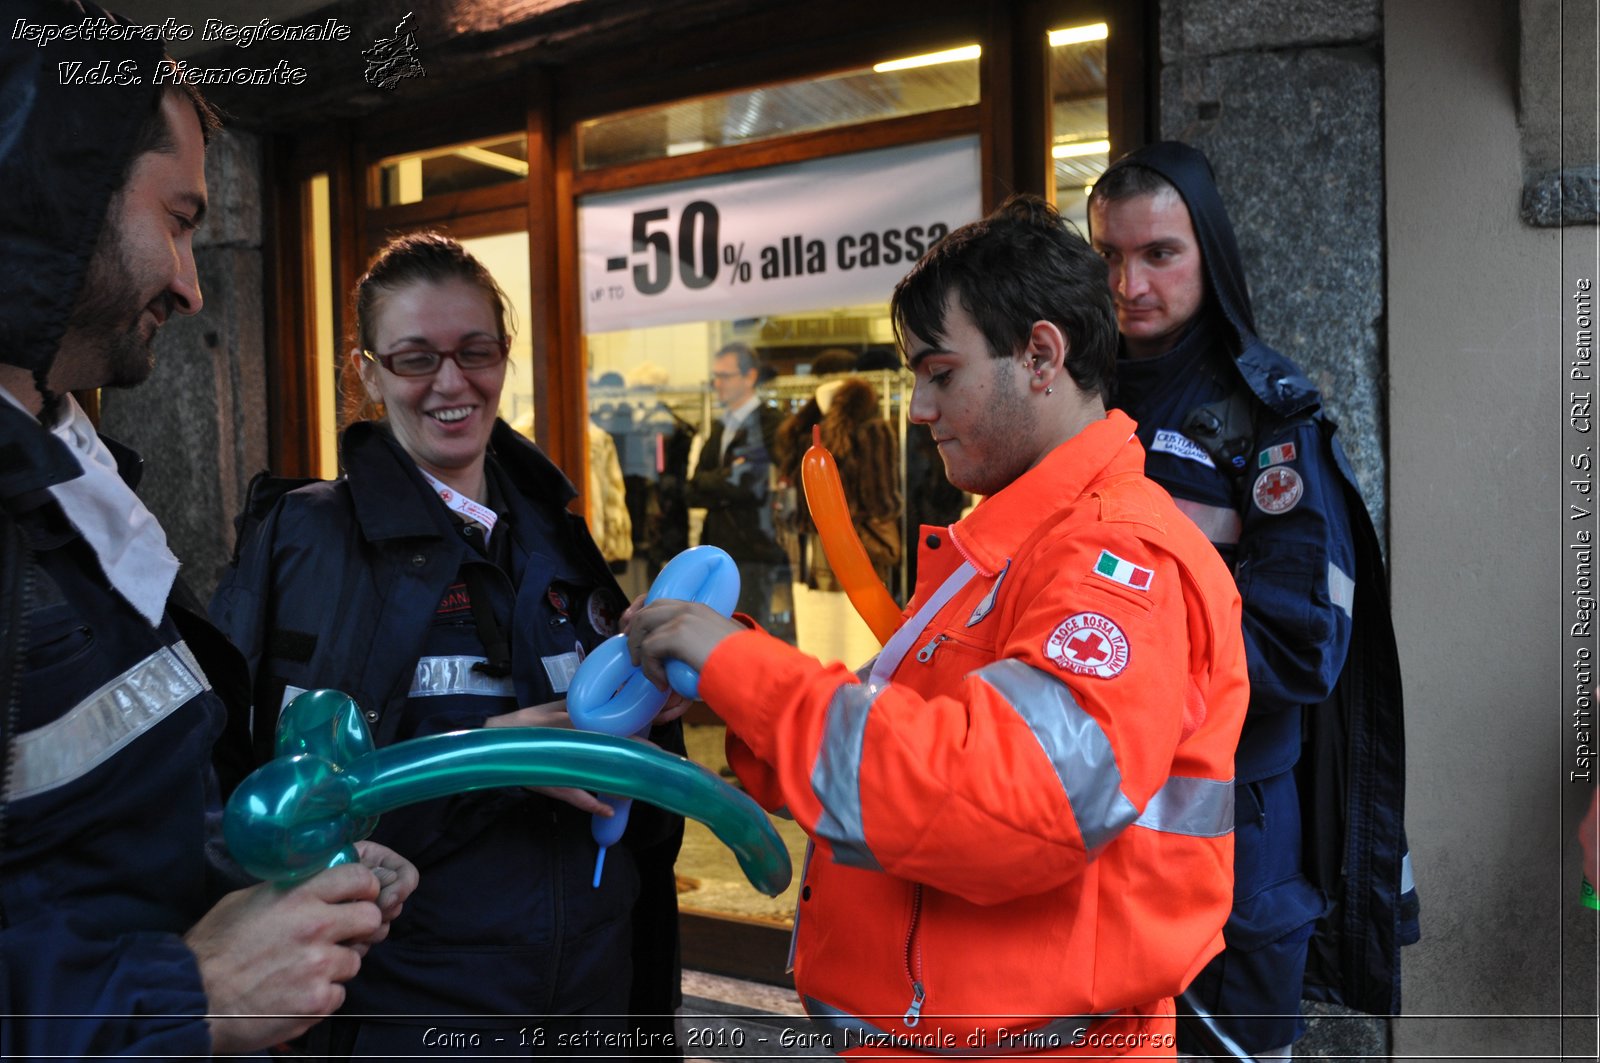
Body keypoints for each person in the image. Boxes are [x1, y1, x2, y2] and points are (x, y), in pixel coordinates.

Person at [626, 195, 1250, 1056]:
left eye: (941, 372)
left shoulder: (1113, 558)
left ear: (1041, 355)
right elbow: (905, 747)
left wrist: (737, 667)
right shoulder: (1015, 543)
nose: (918, 407)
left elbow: (1006, 802)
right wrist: (727, 687)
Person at [0, 5, 418, 1057]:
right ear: (56, 192)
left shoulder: (64, 470)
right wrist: (186, 993)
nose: (191, 285)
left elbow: (100, 831)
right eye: (180, 219)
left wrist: (275, 877)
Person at [210, 232, 685, 1058]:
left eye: (476, 351)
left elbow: (630, 777)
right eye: (414, 358)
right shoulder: (305, 541)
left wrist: (655, 689)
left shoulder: (556, 532)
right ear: (366, 372)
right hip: (414, 1006)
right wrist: (496, 753)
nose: (452, 383)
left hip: (595, 997)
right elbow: (265, 809)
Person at [1088, 141, 1418, 1059]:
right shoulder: (1068, 406)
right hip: (1086, 820)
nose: (1131, 282)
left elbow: (1302, 643)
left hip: (1235, 833)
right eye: (1109, 256)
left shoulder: (1272, 422)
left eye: (1160, 253)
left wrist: (1116, 665)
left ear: (1212, 254)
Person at [686, 341, 793, 638]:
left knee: (749, 636)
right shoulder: (722, 426)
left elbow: (747, 484)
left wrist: (717, 483)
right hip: (718, 546)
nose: (717, 384)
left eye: (725, 376)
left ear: (750, 377)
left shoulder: (771, 423)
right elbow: (692, 489)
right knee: (716, 634)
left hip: (754, 548)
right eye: (715, 376)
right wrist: (724, 479)